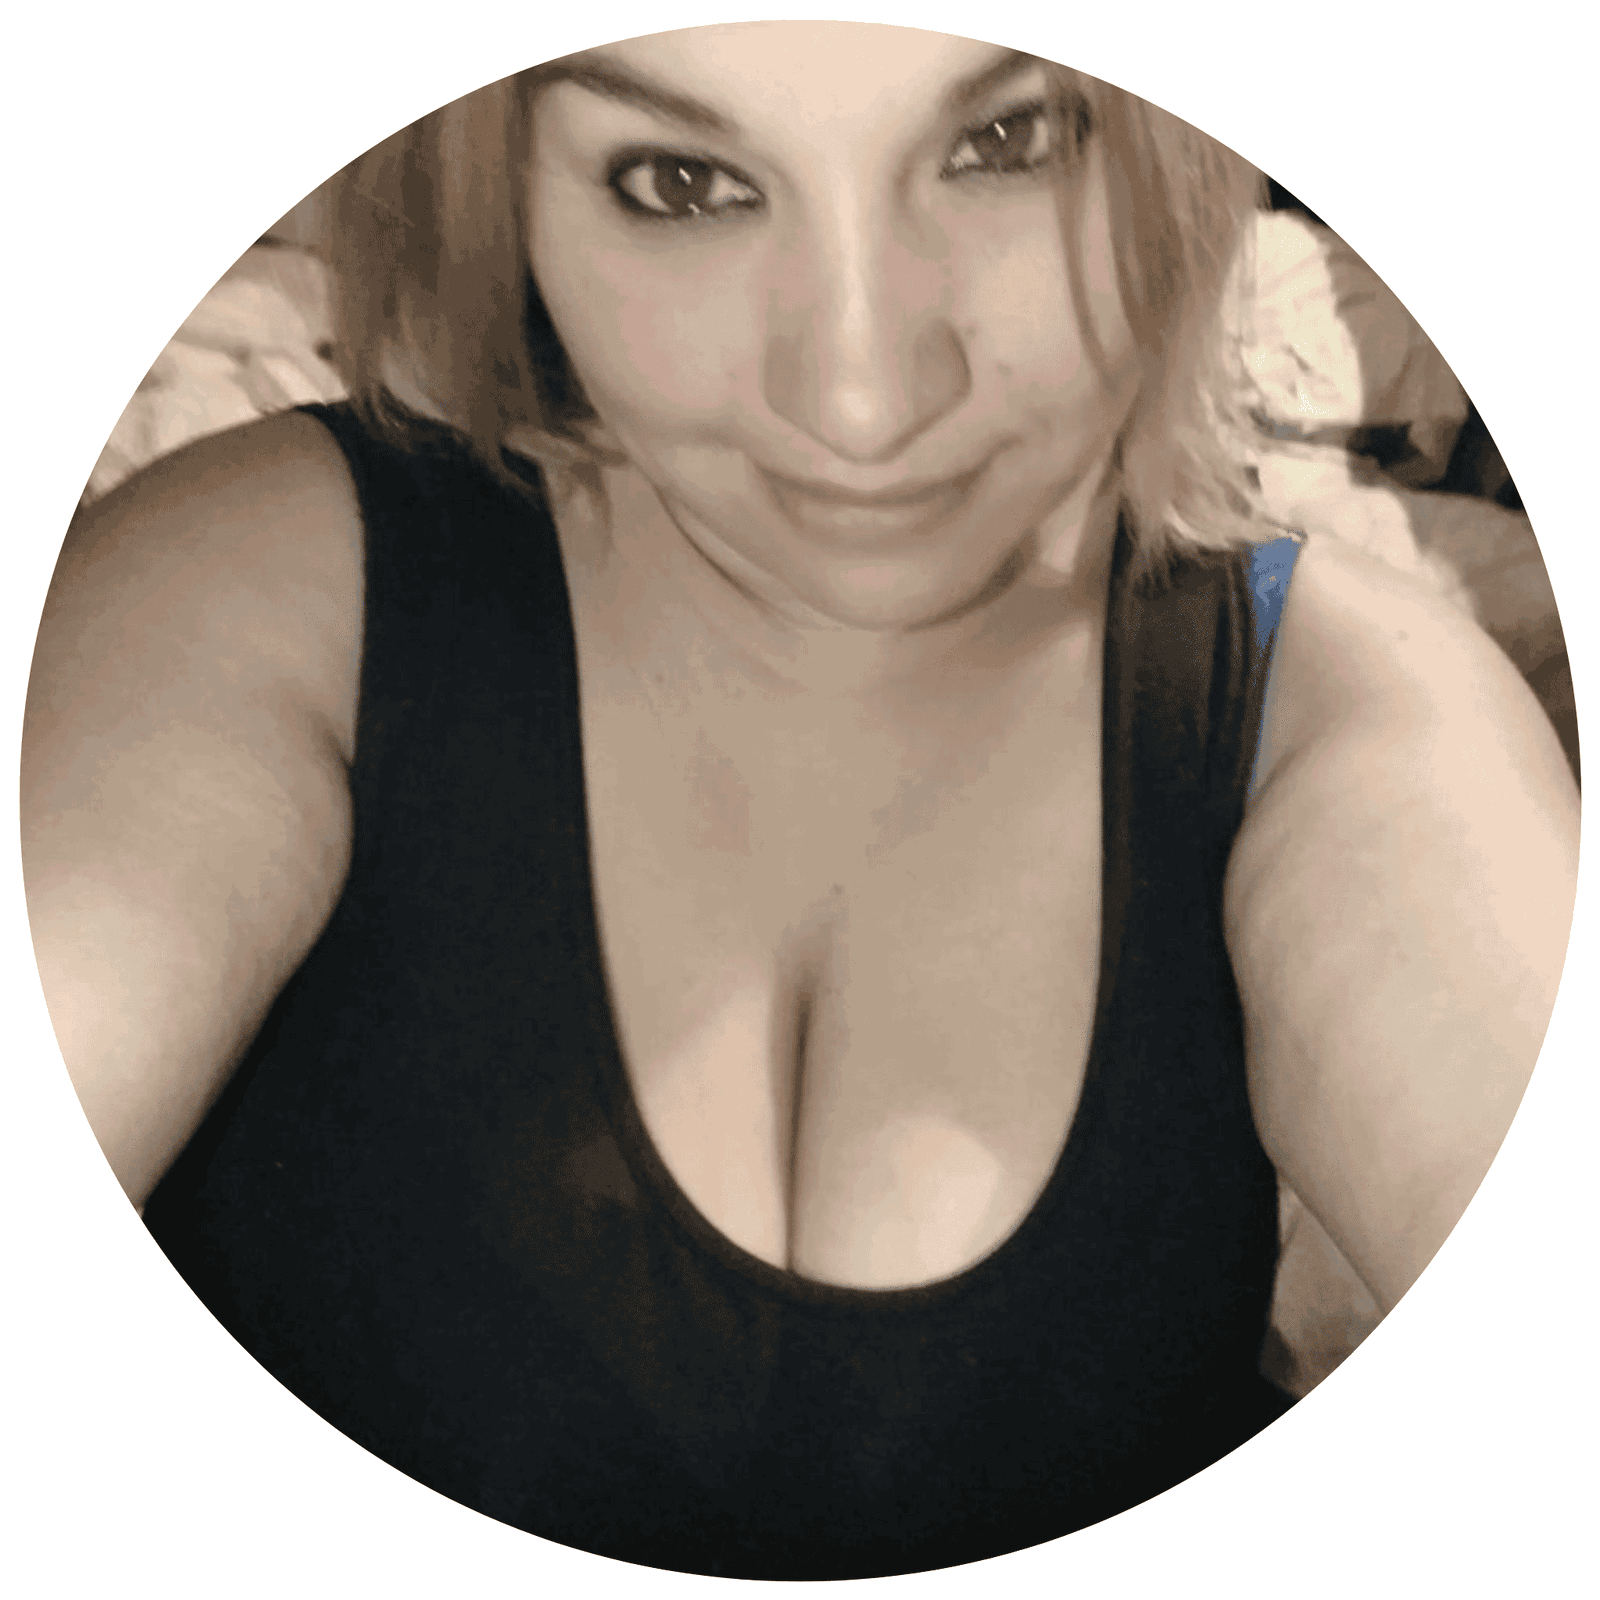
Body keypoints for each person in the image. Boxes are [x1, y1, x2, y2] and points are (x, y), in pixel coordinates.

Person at [20, 21, 1578, 1581]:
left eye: (1010, 142)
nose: (862, 395)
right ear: (506, 189)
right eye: (678, 180)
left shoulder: (1344, 709)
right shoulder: (266, 591)